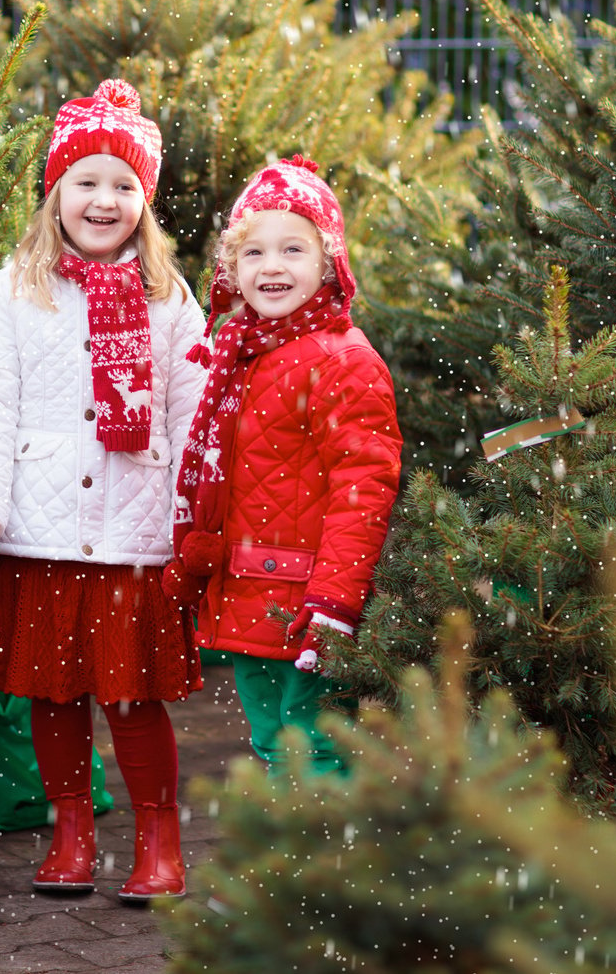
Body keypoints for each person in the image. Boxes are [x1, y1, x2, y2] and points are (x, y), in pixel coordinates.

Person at [0, 79, 208, 903]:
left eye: (124, 185)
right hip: (41, 528)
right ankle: (71, 834)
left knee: (132, 698)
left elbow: (192, 411)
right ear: (54, 191)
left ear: (147, 199)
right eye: (86, 182)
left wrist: (190, 519)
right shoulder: (16, 289)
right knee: (54, 694)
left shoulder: (168, 298)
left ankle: (158, 841)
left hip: (134, 537)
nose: (104, 201)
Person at [162, 155, 403, 776]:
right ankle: (290, 860)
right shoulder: (239, 354)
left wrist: (335, 601)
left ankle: (326, 865)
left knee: (314, 743)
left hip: (309, 602)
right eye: (254, 253)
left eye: (293, 249)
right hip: (248, 592)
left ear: (329, 263)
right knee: (273, 741)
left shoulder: (343, 361)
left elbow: (364, 488)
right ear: (232, 270)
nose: (272, 267)